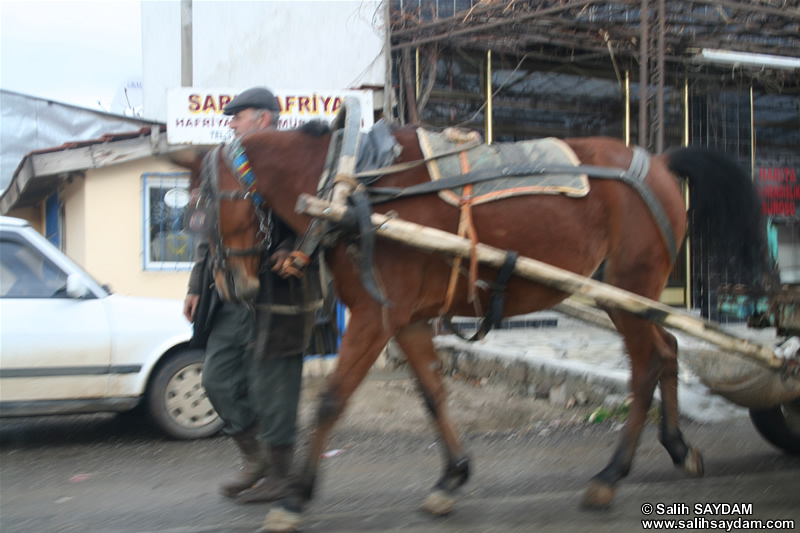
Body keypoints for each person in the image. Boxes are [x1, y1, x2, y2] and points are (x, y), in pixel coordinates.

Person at [184, 87, 318, 503]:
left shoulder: (294, 158)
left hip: (278, 290)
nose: (231, 123)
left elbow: (316, 212)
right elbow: (210, 230)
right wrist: (194, 285)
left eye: (238, 116)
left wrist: (291, 248)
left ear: (263, 119)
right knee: (215, 379)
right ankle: (256, 458)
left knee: (273, 386)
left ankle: (281, 474)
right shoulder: (224, 164)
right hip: (227, 291)